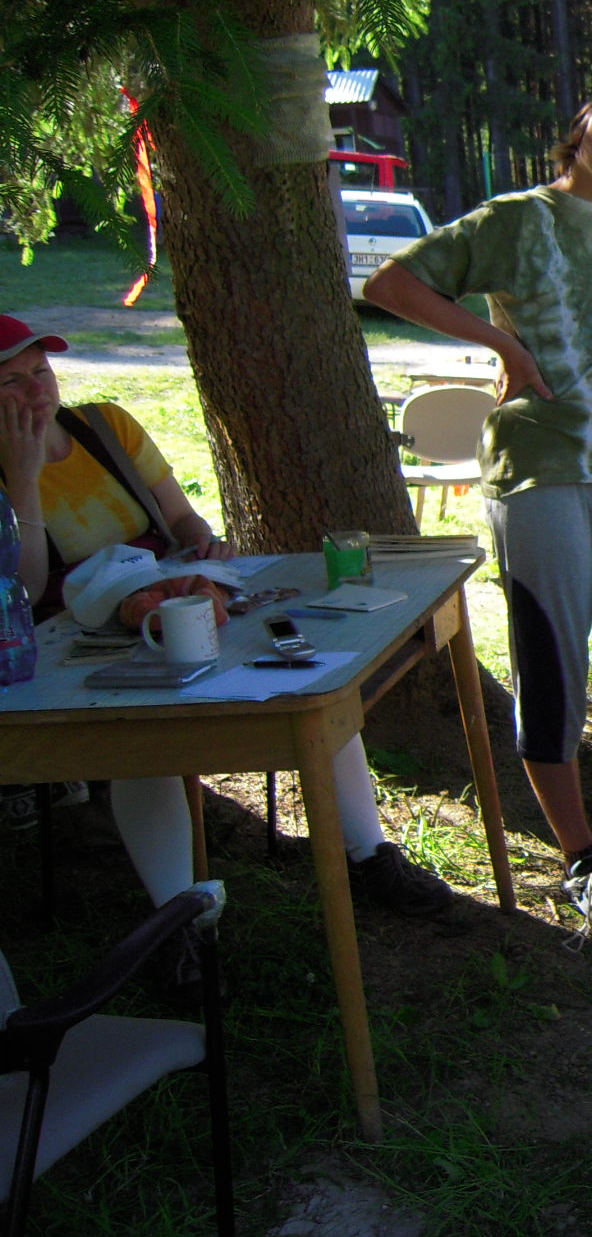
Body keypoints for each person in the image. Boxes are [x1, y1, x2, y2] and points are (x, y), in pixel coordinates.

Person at [362, 76, 592, 939]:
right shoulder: (516, 218)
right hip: (536, 475)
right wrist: (499, 343)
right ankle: (581, 862)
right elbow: (391, 284)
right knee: (553, 675)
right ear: (582, 125)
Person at [0, 315, 455, 928]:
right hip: (78, 642)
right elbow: (24, 590)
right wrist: (23, 479)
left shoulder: (105, 425)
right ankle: (181, 921)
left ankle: (370, 855)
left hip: (184, 603)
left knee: (306, 672)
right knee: (146, 742)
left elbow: (181, 520)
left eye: (41, 371)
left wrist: (202, 544)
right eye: (12, 382)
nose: (37, 391)